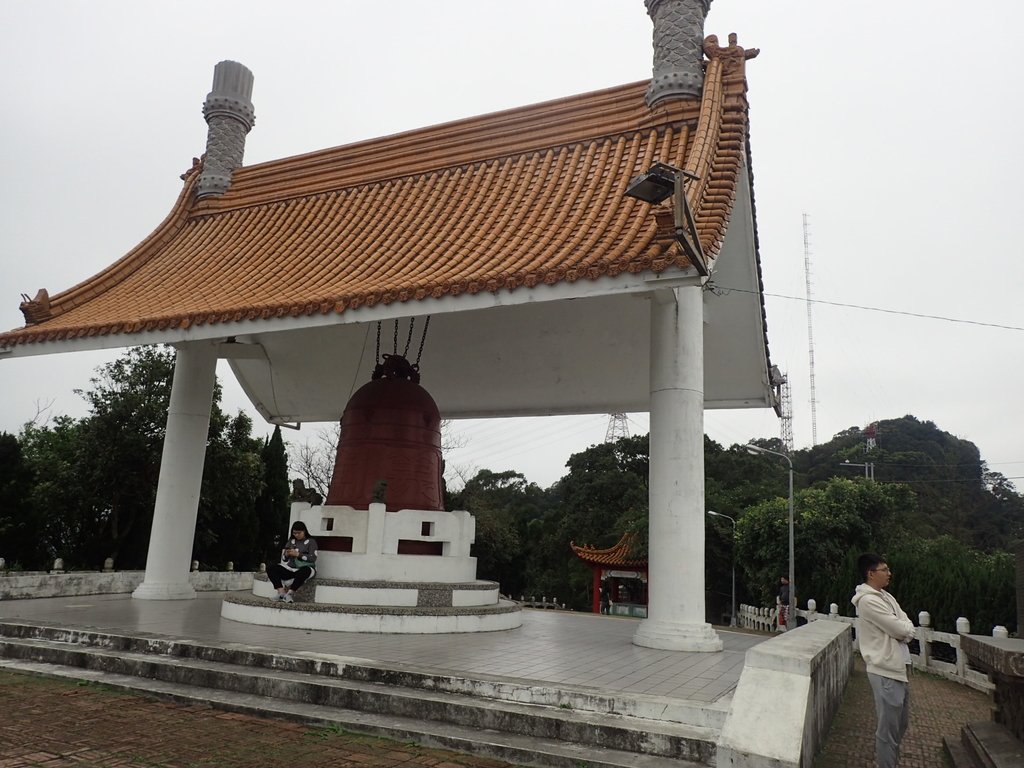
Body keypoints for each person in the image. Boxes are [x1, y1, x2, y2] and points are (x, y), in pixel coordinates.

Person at [852, 553, 915, 768]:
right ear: (871, 573)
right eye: (884, 569)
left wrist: (904, 630)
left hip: (898, 668)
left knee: (900, 725)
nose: (889, 573)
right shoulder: (868, 601)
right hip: (885, 669)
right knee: (888, 730)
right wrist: (904, 630)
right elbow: (900, 628)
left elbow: (906, 622)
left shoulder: (886, 597)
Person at [266, 521, 318, 603]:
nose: (296, 535)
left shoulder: (311, 541)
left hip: (305, 568)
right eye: (294, 533)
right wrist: (287, 554)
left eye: (299, 533)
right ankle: (281, 593)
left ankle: (289, 594)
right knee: (271, 568)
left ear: (304, 531)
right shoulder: (291, 541)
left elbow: (313, 558)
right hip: (291, 568)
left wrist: (298, 554)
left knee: (304, 571)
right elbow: (284, 559)